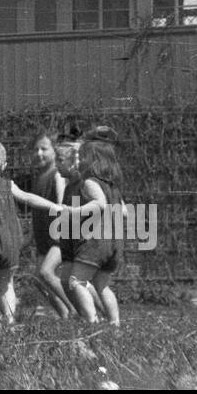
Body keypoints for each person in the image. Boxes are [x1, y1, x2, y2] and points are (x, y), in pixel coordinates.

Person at [0, 139, 64, 324]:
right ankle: (10, 321)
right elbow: (28, 198)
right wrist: (55, 206)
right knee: (6, 283)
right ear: (4, 165)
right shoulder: (9, 184)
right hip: (9, 244)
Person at [65, 126, 124, 326]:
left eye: (82, 157)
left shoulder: (89, 182)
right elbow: (123, 212)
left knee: (76, 281)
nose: (79, 161)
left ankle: (91, 321)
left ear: (94, 161)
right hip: (114, 242)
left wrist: (73, 211)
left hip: (95, 242)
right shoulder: (113, 186)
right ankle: (115, 323)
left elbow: (99, 204)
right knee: (102, 285)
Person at [29, 132, 77, 318]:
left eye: (44, 149)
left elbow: (62, 205)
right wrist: (31, 237)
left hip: (58, 236)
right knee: (39, 281)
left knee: (46, 273)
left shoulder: (56, 175)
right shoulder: (38, 177)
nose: (39, 153)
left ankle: (76, 309)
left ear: (54, 151)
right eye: (36, 149)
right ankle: (65, 315)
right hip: (44, 238)